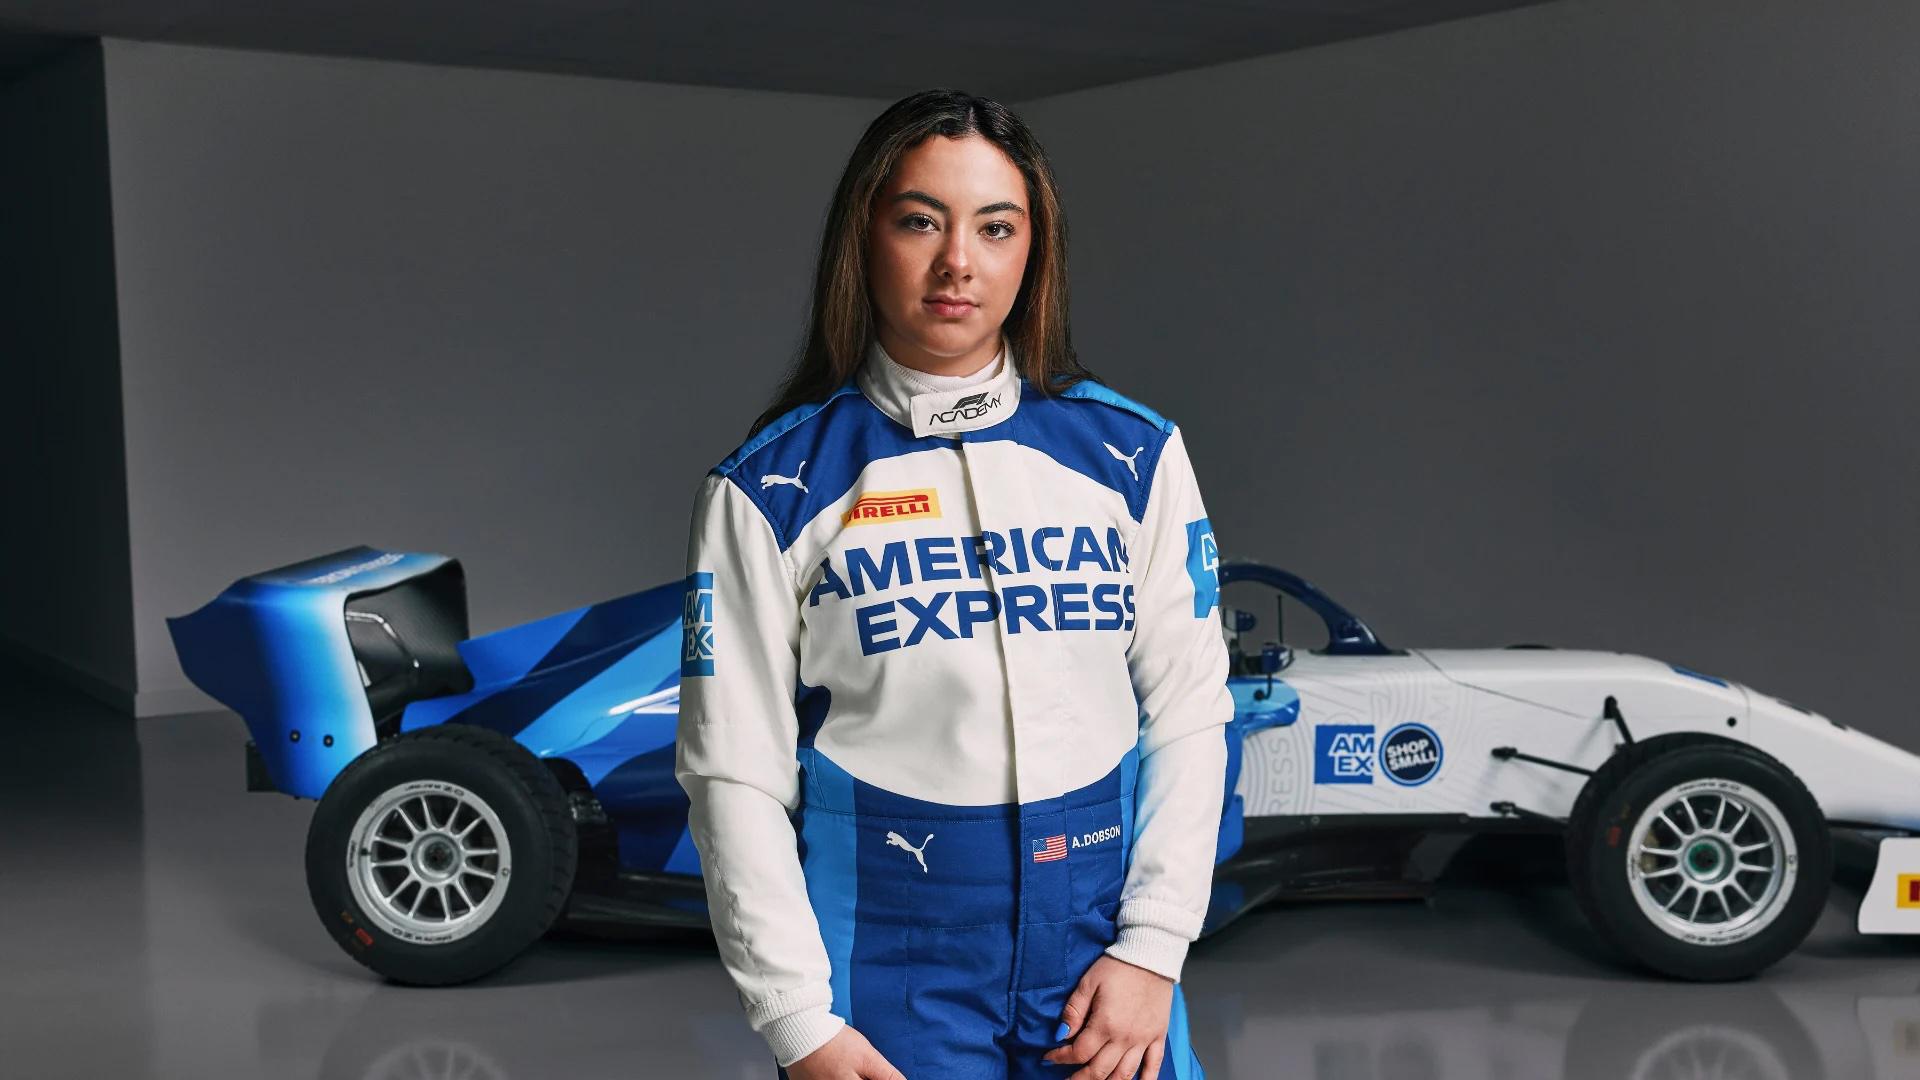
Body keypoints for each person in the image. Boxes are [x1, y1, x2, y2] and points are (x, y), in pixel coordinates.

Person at [674, 87, 1231, 1080]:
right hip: (886, 969)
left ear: (1034, 251)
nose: (958, 263)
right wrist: (796, 1020)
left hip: (1103, 957)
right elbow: (733, 774)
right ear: (865, 237)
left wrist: (1153, 946)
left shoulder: (1134, 454)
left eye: (996, 227)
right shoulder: (770, 488)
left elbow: (1188, 712)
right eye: (921, 221)